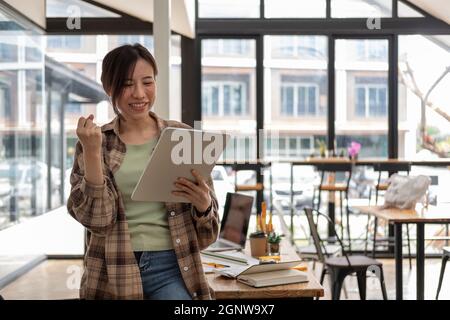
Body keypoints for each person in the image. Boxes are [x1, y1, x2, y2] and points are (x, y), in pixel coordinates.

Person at [67, 43, 219, 300]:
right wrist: (92, 153)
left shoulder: (181, 137)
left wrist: (204, 205)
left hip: (173, 267)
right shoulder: (94, 141)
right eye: (127, 84)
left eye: (147, 82)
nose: (139, 94)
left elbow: (208, 235)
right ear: (109, 88)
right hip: (111, 270)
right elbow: (99, 222)